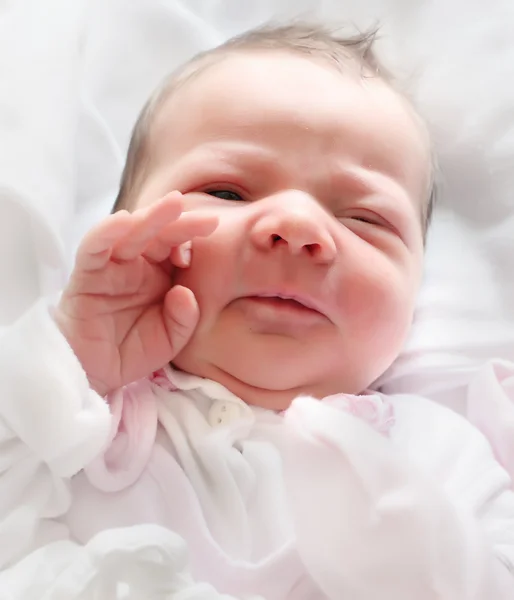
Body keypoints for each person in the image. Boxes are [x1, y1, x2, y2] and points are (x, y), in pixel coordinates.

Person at [0, 23, 513, 600]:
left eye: (364, 219)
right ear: (126, 233)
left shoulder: (437, 451)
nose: (296, 227)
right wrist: (69, 366)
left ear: (415, 294)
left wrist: (420, 557)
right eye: (226, 192)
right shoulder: (80, 410)